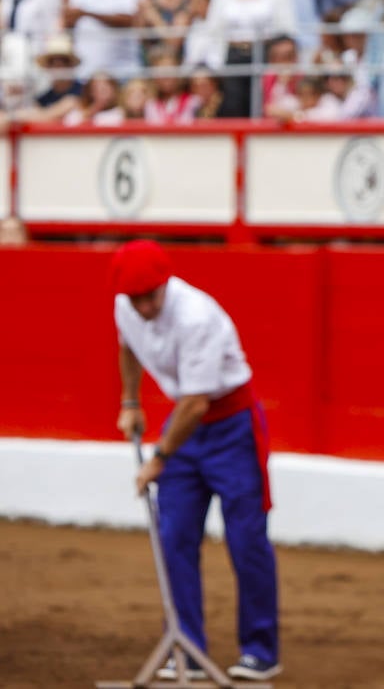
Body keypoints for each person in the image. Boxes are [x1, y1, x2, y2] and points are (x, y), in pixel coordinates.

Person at [111, 240, 282, 682]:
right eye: (137, 298)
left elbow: (197, 403)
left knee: (246, 538)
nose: (145, 306)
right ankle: (185, 644)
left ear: (165, 283)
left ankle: (261, 651)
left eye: (151, 295)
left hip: (230, 426)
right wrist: (131, 400)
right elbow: (128, 346)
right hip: (184, 425)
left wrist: (158, 458)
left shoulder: (196, 316)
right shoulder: (126, 307)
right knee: (174, 535)